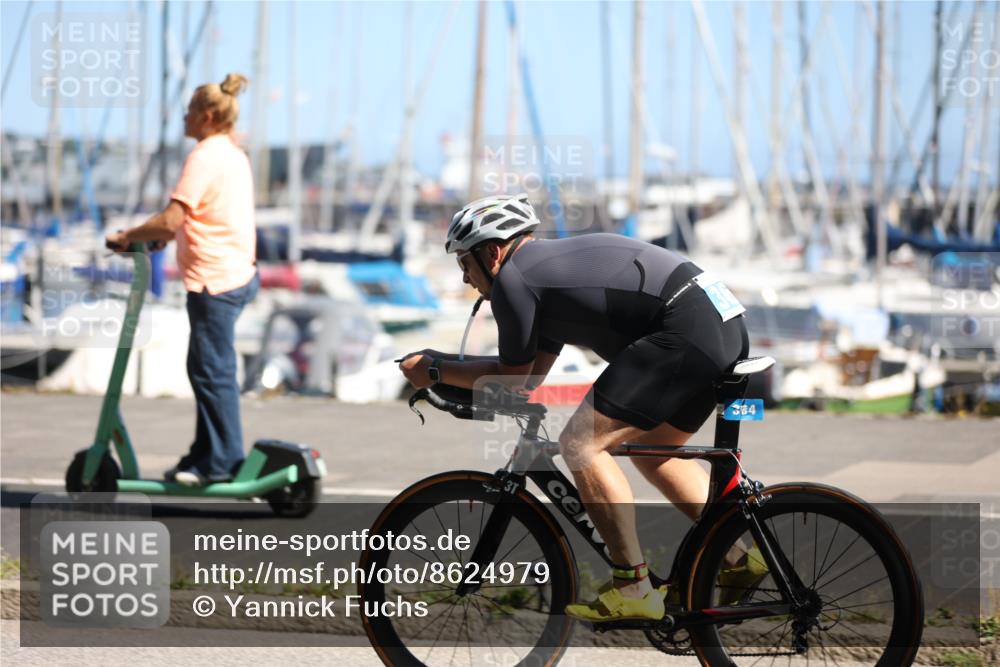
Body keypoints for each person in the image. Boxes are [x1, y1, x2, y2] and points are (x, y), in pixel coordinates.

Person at [399, 193, 765, 622]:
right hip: (719, 325)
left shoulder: (516, 282)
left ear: (492, 252)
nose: (465, 279)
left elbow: (512, 377)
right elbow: (527, 381)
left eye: (464, 263)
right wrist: (457, 385)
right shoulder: (544, 280)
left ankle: (633, 586)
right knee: (657, 452)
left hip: (686, 326)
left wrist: (435, 368)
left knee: (581, 445)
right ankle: (739, 560)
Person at [106, 73, 258, 487]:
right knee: (205, 368)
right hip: (236, 272)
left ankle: (223, 460)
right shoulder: (231, 153)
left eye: (190, 110)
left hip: (215, 279)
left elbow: (173, 216)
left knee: (212, 371)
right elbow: (204, 215)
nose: (184, 116)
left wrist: (126, 236)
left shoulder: (205, 156)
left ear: (207, 116)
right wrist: (160, 239)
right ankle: (206, 453)